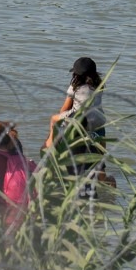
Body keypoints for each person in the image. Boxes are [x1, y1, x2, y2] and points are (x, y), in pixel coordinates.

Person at [45, 56, 107, 184]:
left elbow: (65, 108)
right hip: (99, 121)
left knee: (53, 118)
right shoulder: (100, 84)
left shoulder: (75, 86)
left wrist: (61, 121)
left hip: (79, 119)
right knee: (100, 152)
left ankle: (50, 144)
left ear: (76, 74)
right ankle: (103, 176)